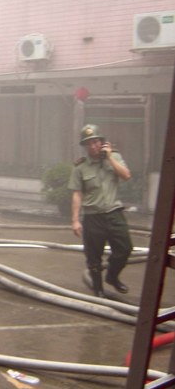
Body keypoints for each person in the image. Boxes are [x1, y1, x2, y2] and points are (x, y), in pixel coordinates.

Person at [68, 124, 133, 298]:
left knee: (125, 249)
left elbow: (126, 175)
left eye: (95, 142)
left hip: (114, 213)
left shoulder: (115, 157)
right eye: (88, 143)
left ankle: (112, 276)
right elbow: (77, 194)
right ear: (85, 146)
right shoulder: (80, 167)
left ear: (102, 142)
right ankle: (98, 290)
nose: (93, 146)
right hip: (92, 217)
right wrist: (75, 220)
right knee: (93, 258)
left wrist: (110, 157)